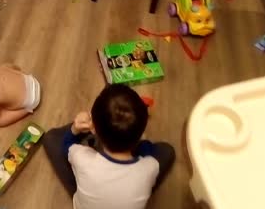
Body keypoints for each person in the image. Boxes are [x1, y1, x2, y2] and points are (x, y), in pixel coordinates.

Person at [43, 84, 175, 209]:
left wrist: (75, 128)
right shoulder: (150, 166)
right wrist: (143, 146)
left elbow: (67, 144)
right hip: (134, 163)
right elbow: (148, 149)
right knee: (167, 150)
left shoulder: (82, 157)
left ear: (93, 129)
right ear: (140, 134)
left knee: (51, 138)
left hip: (86, 198)